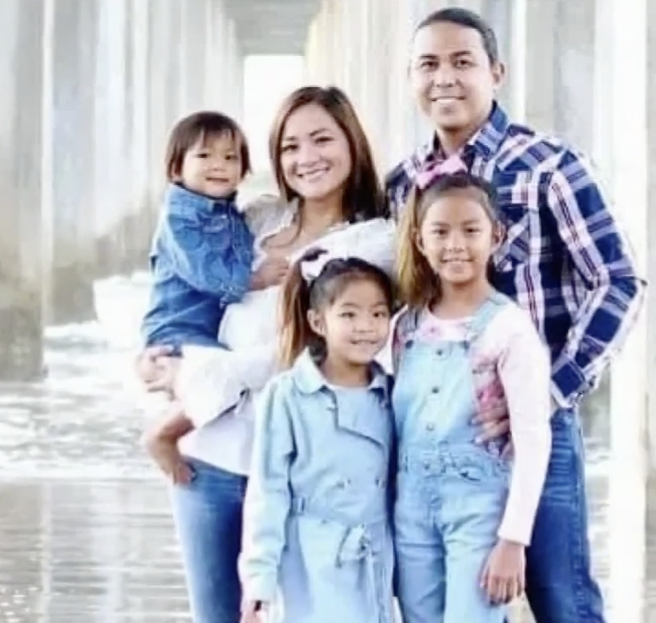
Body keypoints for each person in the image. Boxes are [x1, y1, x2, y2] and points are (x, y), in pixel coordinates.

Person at [385, 7, 646, 622]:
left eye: (462, 61)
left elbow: (617, 280)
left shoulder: (549, 166)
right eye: (428, 64)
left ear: (496, 72)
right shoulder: (402, 184)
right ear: (411, 78)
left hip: (536, 428)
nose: (444, 77)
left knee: (561, 596)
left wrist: (556, 388)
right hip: (438, 443)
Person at [135, 86, 395, 623]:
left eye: (322, 139)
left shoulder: (374, 243)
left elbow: (304, 350)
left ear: (352, 144)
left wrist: (199, 379)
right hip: (208, 459)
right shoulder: (255, 221)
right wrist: (155, 356)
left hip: (302, 472)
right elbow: (188, 289)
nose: (306, 158)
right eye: (289, 146)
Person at [391, 160, 551, 622]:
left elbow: (532, 437)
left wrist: (513, 539)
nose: (455, 245)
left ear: (495, 237)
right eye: (440, 232)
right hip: (411, 507)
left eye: (469, 230)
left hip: (479, 508)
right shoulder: (406, 326)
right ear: (420, 241)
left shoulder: (509, 328)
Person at [239, 250, 397, 623]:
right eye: (348, 314)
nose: (366, 326)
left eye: (379, 314)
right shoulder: (289, 394)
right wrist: (258, 582)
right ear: (317, 321)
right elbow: (268, 491)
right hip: (307, 558)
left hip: (373, 554)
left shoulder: (390, 393)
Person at [139, 110, 273, 484]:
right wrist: (255, 280)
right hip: (179, 325)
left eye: (230, 158)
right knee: (222, 380)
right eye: (205, 155)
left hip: (204, 326)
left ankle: (174, 426)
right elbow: (205, 271)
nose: (219, 165)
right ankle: (163, 434)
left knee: (226, 382)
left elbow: (243, 245)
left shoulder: (230, 212)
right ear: (176, 169)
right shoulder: (178, 218)